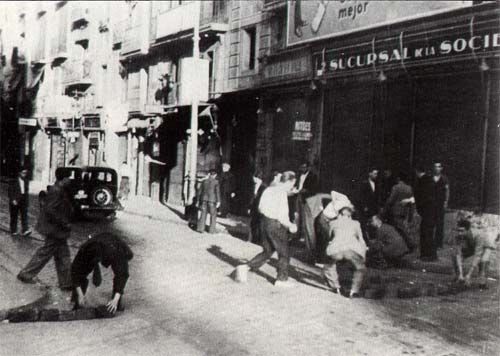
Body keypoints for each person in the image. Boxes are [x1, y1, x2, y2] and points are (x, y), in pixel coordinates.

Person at [238, 171, 298, 286]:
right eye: (292, 184)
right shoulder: (281, 193)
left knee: (268, 251)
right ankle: (281, 279)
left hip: (264, 222)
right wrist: (290, 225)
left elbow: (260, 208)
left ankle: (246, 267)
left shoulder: (269, 190)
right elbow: (282, 215)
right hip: (276, 225)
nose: (292, 187)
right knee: (284, 252)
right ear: (289, 181)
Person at [17, 169, 73, 289]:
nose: (70, 179)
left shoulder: (59, 190)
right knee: (46, 253)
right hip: (55, 229)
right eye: (68, 177)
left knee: (63, 255)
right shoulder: (56, 191)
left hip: (57, 230)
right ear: (63, 179)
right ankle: (26, 274)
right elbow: (50, 210)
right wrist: (64, 223)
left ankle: (66, 282)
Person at [71, 232, 134, 314]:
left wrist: (115, 299)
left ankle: (115, 303)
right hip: (98, 244)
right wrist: (80, 294)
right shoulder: (85, 250)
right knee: (81, 271)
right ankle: (78, 300)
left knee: (120, 272)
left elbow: (122, 275)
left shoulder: (115, 251)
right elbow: (75, 270)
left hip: (114, 245)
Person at [323, 198, 368, 298]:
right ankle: (353, 290)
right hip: (351, 249)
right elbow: (361, 240)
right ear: (351, 214)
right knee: (360, 268)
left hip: (336, 250)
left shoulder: (333, 223)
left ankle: (335, 286)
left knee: (329, 265)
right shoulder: (356, 223)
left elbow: (330, 237)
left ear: (339, 213)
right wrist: (363, 256)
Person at [451, 218, 499, 289]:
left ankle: (482, 283)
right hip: (471, 245)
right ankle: (459, 277)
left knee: (483, 261)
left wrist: (469, 274)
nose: (459, 233)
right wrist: (461, 273)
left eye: (462, 231)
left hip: (485, 246)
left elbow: (477, 255)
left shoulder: (479, 235)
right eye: (458, 230)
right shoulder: (458, 236)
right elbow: (459, 254)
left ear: (468, 230)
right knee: (454, 255)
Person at [383, 172, 419, 252]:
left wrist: (385, 209)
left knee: (400, 229)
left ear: (398, 179)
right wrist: (410, 214)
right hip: (404, 211)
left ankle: (411, 244)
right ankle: (406, 245)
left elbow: (391, 200)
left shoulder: (396, 187)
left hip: (396, 211)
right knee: (402, 228)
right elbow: (412, 202)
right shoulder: (409, 188)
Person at [429, 162, 450, 249]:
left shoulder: (444, 178)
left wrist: (446, 202)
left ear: (441, 168)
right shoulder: (430, 178)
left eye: (438, 167)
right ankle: (430, 242)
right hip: (431, 204)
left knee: (440, 224)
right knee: (430, 223)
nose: (437, 168)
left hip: (440, 204)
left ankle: (439, 244)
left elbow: (447, 191)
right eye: (435, 167)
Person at [358, 167, 380, 241]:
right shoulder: (364, 184)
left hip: (374, 209)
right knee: (365, 224)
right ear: (370, 174)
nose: (376, 175)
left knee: (373, 225)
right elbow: (361, 196)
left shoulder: (377, 184)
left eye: (377, 174)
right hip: (366, 209)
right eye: (374, 174)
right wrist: (364, 206)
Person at [196, 170, 221, 234]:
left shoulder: (204, 181)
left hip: (204, 200)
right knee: (213, 215)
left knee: (203, 214)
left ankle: (200, 229)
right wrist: (218, 201)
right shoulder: (216, 182)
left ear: (209, 174)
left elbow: (199, 191)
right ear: (215, 175)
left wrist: (198, 200)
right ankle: (211, 230)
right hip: (212, 201)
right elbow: (217, 192)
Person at [9, 167, 31, 237]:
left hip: (23, 200)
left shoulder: (26, 181)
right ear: (20, 173)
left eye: (26, 173)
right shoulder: (14, 181)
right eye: (23, 173)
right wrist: (13, 199)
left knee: (24, 215)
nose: (24, 174)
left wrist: (27, 201)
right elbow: (10, 191)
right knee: (14, 216)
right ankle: (13, 230)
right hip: (15, 200)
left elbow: (26, 191)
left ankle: (25, 230)